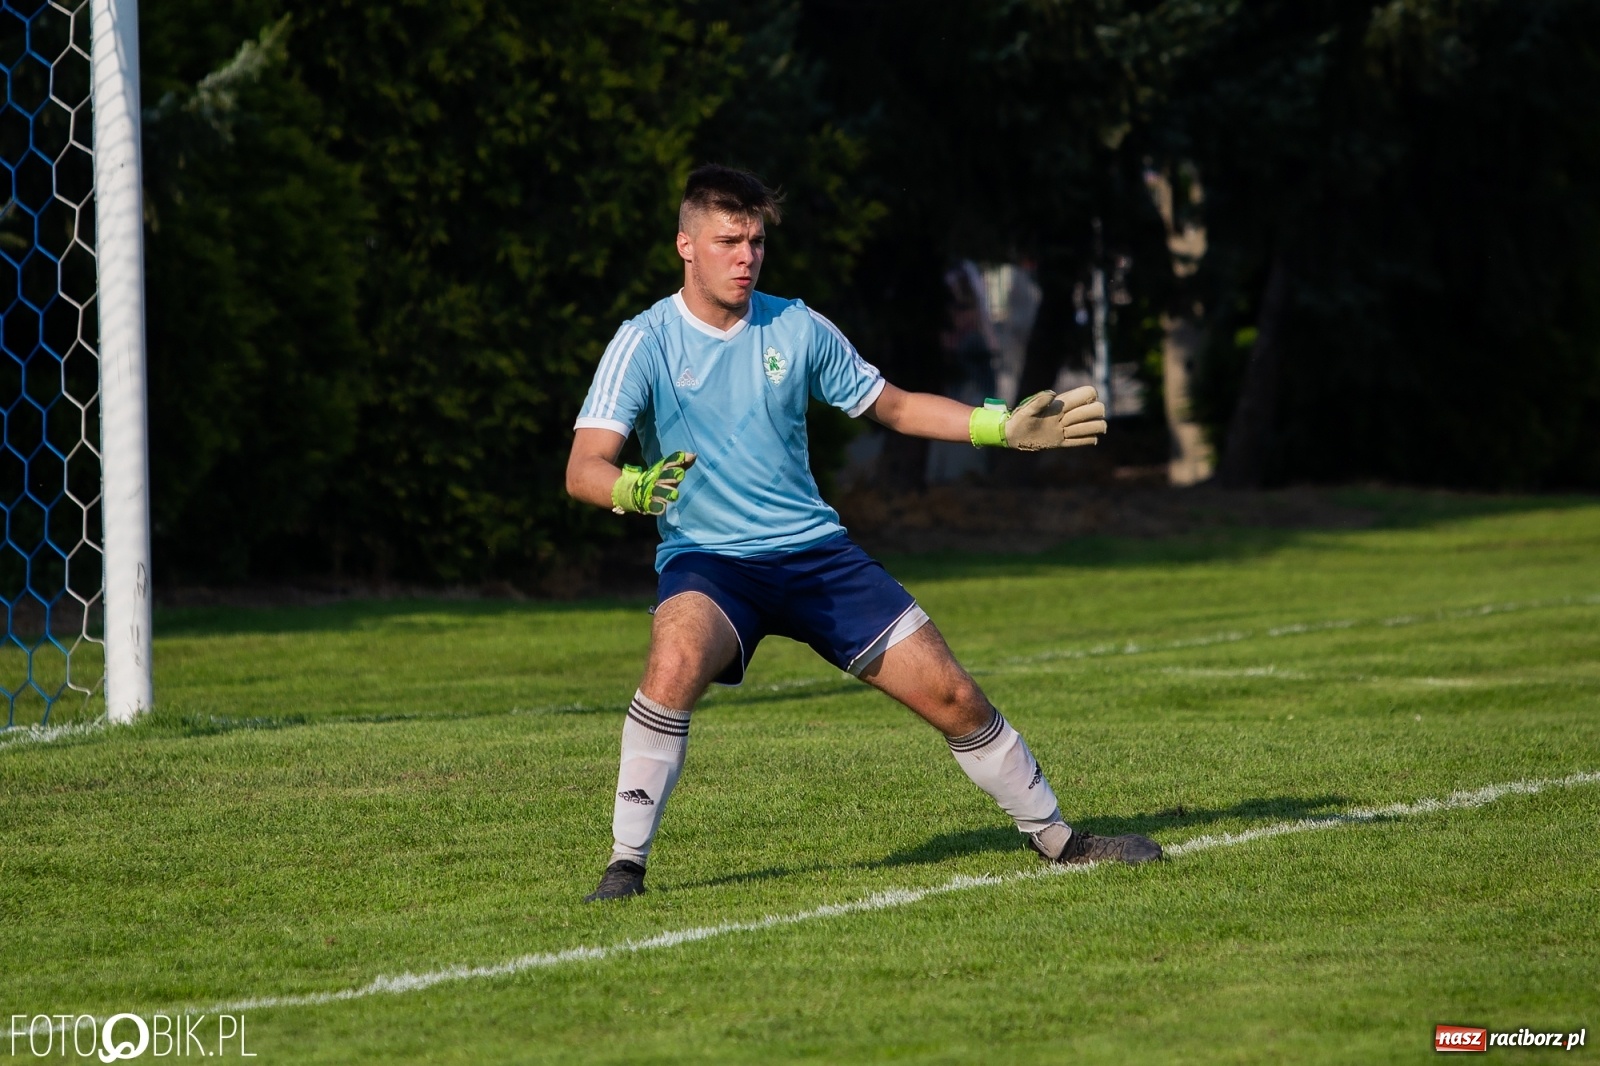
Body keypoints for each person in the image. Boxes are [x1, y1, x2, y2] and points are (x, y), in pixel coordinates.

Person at [565, 165, 1161, 902]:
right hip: (712, 564)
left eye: (755, 240)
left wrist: (998, 424)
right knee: (674, 661)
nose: (746, 256)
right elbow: (584, 466)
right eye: (728, 241)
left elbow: (897, 407)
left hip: (815, 556)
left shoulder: (797, 325)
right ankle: (625, 867)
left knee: (953, 695)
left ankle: (1060, 841)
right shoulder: (644, 340)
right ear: (685, 245)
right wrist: (633, 486)